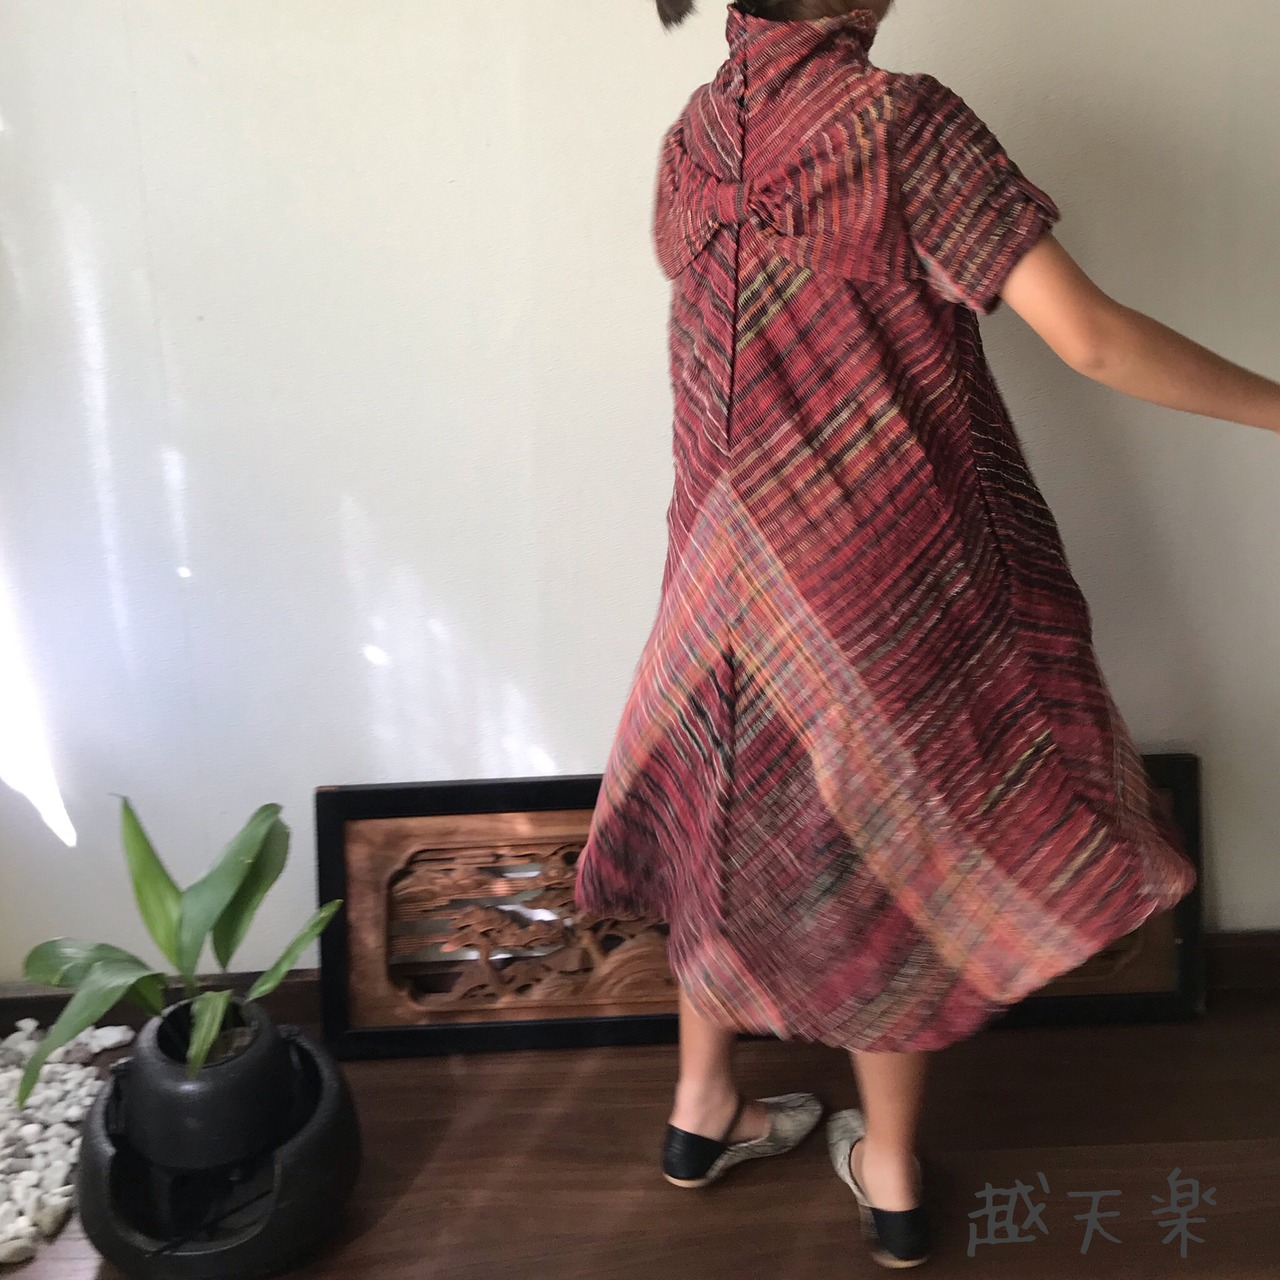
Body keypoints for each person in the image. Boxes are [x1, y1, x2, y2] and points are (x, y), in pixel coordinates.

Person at [573, 0, 1280, 1267]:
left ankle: (700, 1109)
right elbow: (1092, 340)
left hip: (716, 578)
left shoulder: (692, 136)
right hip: (867, 575)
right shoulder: (899, 125)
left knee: (720, 817)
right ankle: (890, 1172)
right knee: (877, 853)